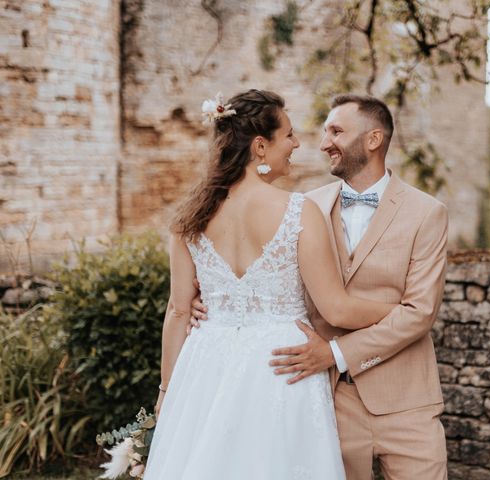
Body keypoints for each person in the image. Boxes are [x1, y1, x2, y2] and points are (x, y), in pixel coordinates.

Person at [143, 89, 398, 480]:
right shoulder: (299, 211)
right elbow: (337, 309)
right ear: (260, 146)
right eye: (289, 136)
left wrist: (166, 392)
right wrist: (402, 308)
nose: (297, 145)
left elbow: (178, 311)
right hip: (280, 368)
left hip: (204, 366)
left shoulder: (189, 219)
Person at [191, 94, 449, 479]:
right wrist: (205, 298)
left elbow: (420, 314)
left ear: (374, 139)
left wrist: (336, 353)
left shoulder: (427, 213)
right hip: (325, 400)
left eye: (336, 131)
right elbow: (254, 273)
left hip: (405, 402)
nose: (324, 142)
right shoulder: (299, 208)